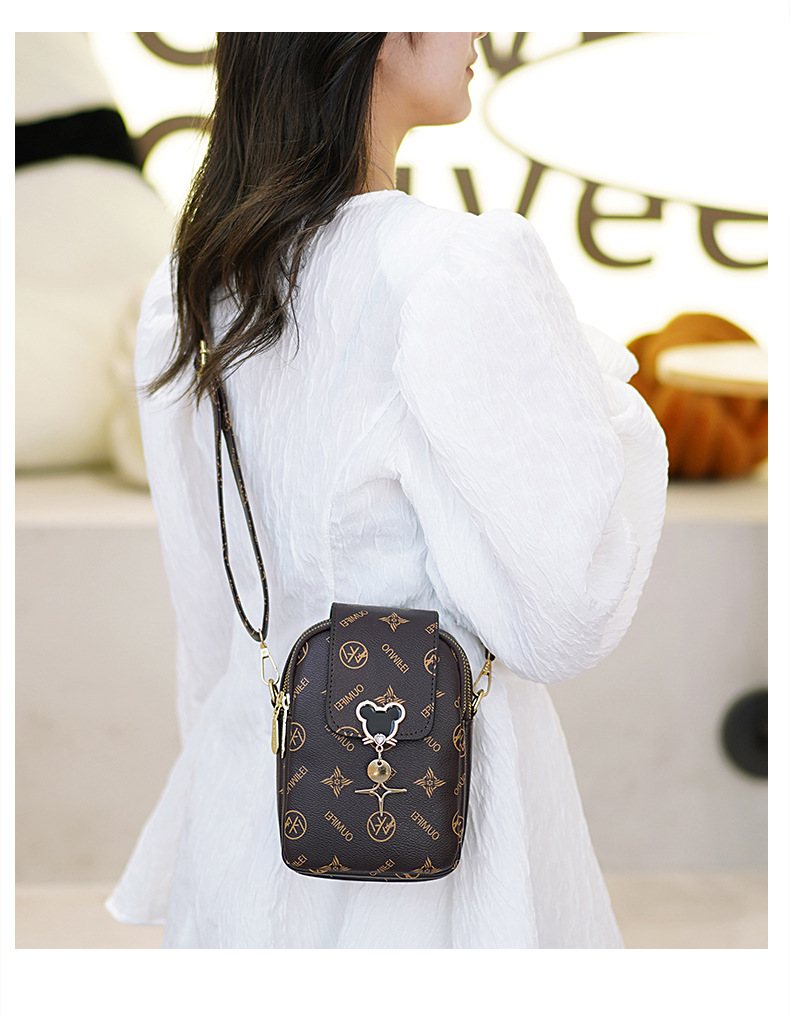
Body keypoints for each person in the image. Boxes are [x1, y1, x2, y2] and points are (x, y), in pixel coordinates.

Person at [106, 32, 668, 949]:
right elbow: (563, 618)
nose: (476, 26)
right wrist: (600, 400)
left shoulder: (195, 282)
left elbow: (211, 598)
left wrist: (233, 762)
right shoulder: (456, 266)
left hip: (254, 793)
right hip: (436, 820)